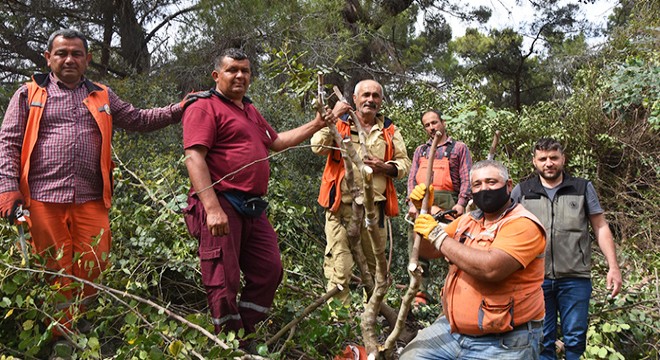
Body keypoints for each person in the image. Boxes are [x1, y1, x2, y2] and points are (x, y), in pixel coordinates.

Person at [0, 29, 199, 343]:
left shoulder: (102, 95)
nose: (69, 59)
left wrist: (178, 109)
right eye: (61, 53)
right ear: (48, 58)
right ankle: (62, 342)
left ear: (87, 59)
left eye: (76, 54)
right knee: (57, 271)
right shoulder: (28, 94)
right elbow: (8, 143)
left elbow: (138, 119)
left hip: (92, 199)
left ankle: (86, 329)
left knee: (94, 266)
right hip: (41, 199)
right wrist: (8, 189)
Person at [182, 48, 333, 338]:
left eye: (245, 70)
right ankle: (227, 343)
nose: (240, 75)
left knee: (270, 269)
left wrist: (317, 124)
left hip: (252, 207)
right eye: (232, 70)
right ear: (216, 75)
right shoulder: (204, 107)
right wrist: (212, 209)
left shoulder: (248, 109)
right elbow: (194, 158)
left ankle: (245, 332)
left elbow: (275, 142)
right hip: (223, 201)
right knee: (222, 279)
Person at [400, 160, 546, 359]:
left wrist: (437, 234)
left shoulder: (523, 224)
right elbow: (428, 251)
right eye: (477, 184)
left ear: (508, 186)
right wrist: (421, 212)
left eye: (491, 182)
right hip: (454, 330)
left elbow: (491, 269)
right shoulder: (468, 220)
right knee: (411, 356)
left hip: (504, 340)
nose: (484, 189)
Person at [511, 138, 623, 360]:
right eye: (543, 159)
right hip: (534, 279)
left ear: (563, 159)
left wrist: (614, 267)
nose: (549, 163)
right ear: (534, 162)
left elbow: (600, 226)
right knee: (542, 339)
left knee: (575, 338)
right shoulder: (523, 191)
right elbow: (505, 227)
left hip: (575, 277)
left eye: (553, 157)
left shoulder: (581, 188)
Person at [310, 79, 411, 304]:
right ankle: (340, 324)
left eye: (375, 96)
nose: (370, 100)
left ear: (381, 101)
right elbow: (317, 147)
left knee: (376, 270)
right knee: (340, 268)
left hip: (374, 211)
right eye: (365, 95)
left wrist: (385, 167)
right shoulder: (341, 123)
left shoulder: (389, 130)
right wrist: (332, 118)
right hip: (340, 210)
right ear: (355, 99)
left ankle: (372, 318)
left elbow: (404, 163)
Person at [406, 110, 472, 305]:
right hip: (423, 203)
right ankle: (419, 294)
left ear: (442, 122)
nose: (431, 127)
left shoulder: (459, 148)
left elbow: (467, 177)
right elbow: (412, 178)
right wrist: (412, 203)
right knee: (418, 247)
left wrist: (461, 204)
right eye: (427, 125)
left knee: (452, 247)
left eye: (434, 123)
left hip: (449, 203)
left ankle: (453, 294)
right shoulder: (421, 151)